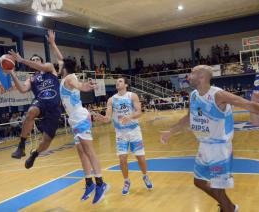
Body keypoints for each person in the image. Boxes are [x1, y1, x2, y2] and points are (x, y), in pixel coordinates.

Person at [160, 65, 259, 212]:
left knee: (218, 187)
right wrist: (171, 131)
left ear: (202, 77)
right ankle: (229, 207)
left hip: (219, 148)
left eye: (192, 73)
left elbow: (248, 105)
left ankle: (227, 208)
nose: (188, 76)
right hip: (203, 146)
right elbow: (190, 117)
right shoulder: (194, 95)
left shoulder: (218, 95)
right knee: (198, 182)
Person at [8, 30, 63, 169]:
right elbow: (22, 89)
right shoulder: (31, 78)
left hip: (54, 108)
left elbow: (44, 66)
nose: (34, 62)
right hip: (41, 103)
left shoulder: (50, 68)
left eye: (36, 60)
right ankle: (21, 146)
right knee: (31, 111)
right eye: (32, 61)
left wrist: (52, 43)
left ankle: (35, 154)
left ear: (41, 61)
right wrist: (12, 73)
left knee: (46, 142)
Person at [60, 58, 109, 204]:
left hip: (80, 118)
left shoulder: (70, 77)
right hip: (74, 120)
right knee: (82, 153)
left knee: (89, 151)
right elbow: (59, 56)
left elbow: (79, 85)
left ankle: (101, 183)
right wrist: (52, 42)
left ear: (63, 67)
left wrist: (85, 86)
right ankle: (89, 183)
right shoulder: (64, 78)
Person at [94, 77, 153, 195]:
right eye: (117, 82)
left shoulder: (132, 96)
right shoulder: (111, 100)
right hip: (120, 133)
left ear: (126, 85)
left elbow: (139, 112)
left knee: (140, 158)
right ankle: (126, 181)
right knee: (122, 158)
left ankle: (145, 176)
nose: (117, 83)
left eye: (120, 81)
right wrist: (101, 118)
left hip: (134, 131)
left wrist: (129, 117)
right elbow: (107, 118)